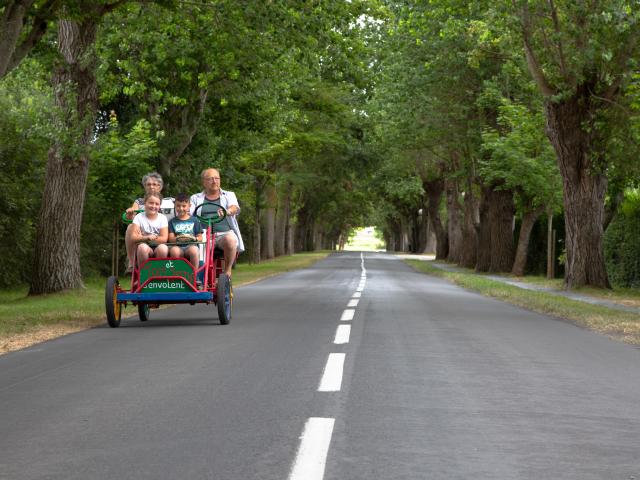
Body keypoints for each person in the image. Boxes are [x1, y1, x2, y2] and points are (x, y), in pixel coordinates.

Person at [190, 168, 244, 278]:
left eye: (217, 178)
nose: (214, 181)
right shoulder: (195, 198)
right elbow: (189, 214)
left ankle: (227, 271)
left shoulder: (228, 195)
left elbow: (235, 208)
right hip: (203, 235)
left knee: (230, 240)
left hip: (224, 233)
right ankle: (198, 279)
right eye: (210, 179)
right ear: (204, 182)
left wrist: (227, 211)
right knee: (194, 250)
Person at [124, 172, 164, 273]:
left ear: (160, 186)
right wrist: (130, 213)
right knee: (130, 226)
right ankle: (132, 263)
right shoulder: (139, 201)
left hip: (160, 235)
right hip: (142, 235)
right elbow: (132, 212)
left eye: (154, 184)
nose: (151, 187)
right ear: (145, 186)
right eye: (148, 184)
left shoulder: (167, 201)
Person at [130, 192, 169, 268]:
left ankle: (159, 274)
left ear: (160, 206)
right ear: (145, 203)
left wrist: (141, 237)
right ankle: (143, 275)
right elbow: (133, 238)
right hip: (144, 247)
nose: (153, 206)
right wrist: (146, 238)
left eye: (157, 204)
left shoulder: (162, 218)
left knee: (163, 248)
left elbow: (164, 239)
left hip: (158, 247)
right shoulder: (139, 217)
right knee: (142, 247)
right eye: (151, 203)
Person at [168, 193, 202, 267]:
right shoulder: (172, 221)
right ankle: (177, 273)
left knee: (194, 250)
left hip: (190, 246)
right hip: (177, 246)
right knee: (174, 251)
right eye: (178, 206)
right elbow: (171, 239)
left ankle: (194, 274)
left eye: (184, 206)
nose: (181, 208)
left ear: (189, 206)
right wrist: (179, 239)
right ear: (175, 206)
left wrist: (193, 238)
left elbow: (200, 237)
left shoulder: (195, 220)